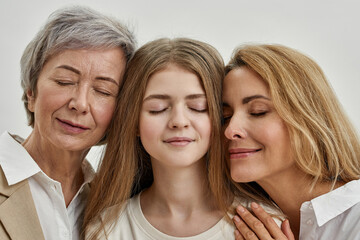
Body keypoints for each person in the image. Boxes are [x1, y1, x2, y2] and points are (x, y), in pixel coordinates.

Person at [84, 37, 247, 239]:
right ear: (134, 122)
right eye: (157, 109)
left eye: (198, 107)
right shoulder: (107, 229)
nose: (179, 121)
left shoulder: (259, 222)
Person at [0, 6, 136, 240]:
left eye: (103, 90)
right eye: (64, 81)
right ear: (31, 92)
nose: (80, 103)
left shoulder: (113, 206)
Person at [222, 44, 360, 239]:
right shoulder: (230, 221)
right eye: (224, 117)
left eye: (258, 111)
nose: (230, 130)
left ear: (308, 118)